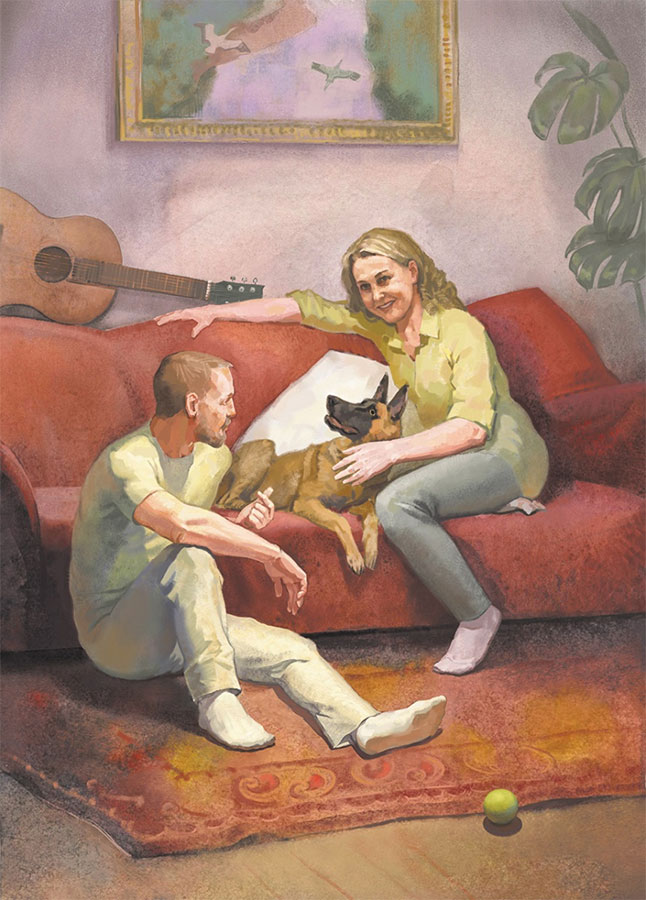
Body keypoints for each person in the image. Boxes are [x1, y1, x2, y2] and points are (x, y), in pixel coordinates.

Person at [157, 228, 550, 676]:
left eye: (384, 279)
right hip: (447, 453)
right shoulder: (385, 326)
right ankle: (487, 503)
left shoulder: (461, 329)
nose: (376, 296)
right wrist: (214, 310)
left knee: (395, 503)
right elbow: (305, 308)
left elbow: (473, 428)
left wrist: (390, 453)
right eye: (365, 287)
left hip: (503, 454)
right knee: (367, 481)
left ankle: (477, 615)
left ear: (413, 271)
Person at [69, 349, 447, 753]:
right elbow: (181, 527)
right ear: (193, 405)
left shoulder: (214, 459)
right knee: (191, 557)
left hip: (183, 626)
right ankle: (217, 702)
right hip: (117, 638)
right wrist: (270, 552)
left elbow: (191, 539)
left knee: (293, 650)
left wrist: (241, 526)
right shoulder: (126, 460)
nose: (234, 412)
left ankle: (366, 727)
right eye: (226, 401)